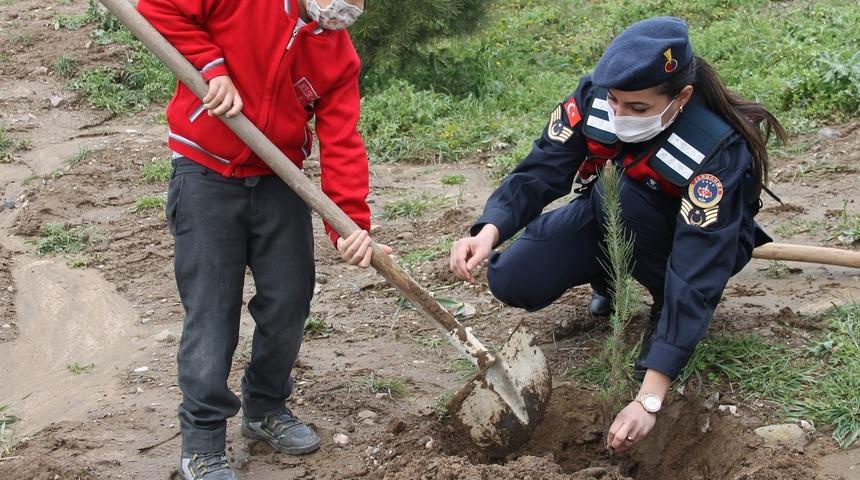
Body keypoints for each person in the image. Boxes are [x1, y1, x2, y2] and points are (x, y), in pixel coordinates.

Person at [449, 16, 784, 454]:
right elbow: (541, 169)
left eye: (639, 108)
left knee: (627, 201)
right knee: (514, 277)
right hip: (611, 210)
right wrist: (488, 230)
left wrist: (650, 396)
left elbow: (697, 270)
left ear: (680, 97)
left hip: (691, 244)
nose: (620, 114)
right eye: (615, 101)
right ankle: (609, 278)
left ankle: (662, 315)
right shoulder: (595, 100)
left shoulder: (714, 150)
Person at [137, 0, 390, 478]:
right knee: (213, 312)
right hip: (205, 172)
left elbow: (342, 140)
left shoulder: (338, 54)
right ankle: (203, 441)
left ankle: (265, 408)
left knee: (289, 299)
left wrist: (351, 225)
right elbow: (158, 8)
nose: (343, 9)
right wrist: (212, 68)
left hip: (279, 176)